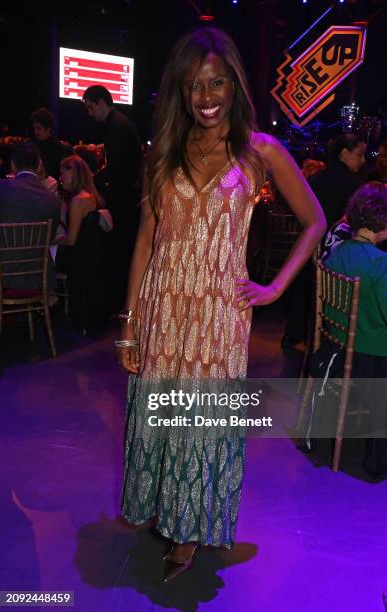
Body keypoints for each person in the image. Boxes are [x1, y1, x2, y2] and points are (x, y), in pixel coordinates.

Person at [117, 26, 326, 582]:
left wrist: (275, 287)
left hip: (218, 316)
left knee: (202, 426)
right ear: (180, 93)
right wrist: (130, 325)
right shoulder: (164, 150)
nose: (205, 98)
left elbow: (315, 222)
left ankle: (189, 534)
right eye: (192, 87)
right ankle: (169, 514)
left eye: (216, 83)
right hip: (163, 308)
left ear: (234, 84)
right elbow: (144, 239)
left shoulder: (260, 150)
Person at [320, 183, 387, 477]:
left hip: (337, 350)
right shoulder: (380, 263)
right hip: (370, 357)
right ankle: (378, 461)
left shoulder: (337, 253)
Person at [82, 85, 143, 310]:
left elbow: (118, 170)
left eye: (90, 107)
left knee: (120, 253)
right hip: (129, 197)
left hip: (126, 200)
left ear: (100, 103)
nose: (89, 113)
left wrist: (94, 182)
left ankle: (120, 304)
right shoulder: (119, 123)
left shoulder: (115, 127)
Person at [0, 141, 61, 290]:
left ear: (12, 165)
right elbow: (50, 240)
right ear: (39, 165)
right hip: (38, 278)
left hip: (2, 275)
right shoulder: (53, 200)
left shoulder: (1, 189)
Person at [56, 155, 109, 330]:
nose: (60, 178)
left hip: (80, 258)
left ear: (74, 174)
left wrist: (53, 241)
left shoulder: (78, 200)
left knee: (47, 257)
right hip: (92, 255)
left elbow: (71, 239)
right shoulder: (92, 197)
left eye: (63, 174)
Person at [309, 133, 366, 229]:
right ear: (344, 153)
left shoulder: (315, 178)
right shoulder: (354, 183)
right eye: (360, 155)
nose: (363, 160)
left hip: (315, 239)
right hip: (341, 240)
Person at [30, 108, 71, 180]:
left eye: (39, 128)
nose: (35, 132)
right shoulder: (31, 145)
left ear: (48, 129)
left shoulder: (59, 148)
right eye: (34, 128)